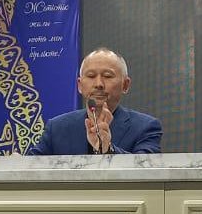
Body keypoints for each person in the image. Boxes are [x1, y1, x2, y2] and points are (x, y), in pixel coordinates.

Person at [28, 48, 163, 155]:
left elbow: (146, 169)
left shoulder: (146, 127)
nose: (99, 84)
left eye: (107, 76)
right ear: (79, 85)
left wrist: (108, 149)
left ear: (125, 85)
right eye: (91, 76)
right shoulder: (57, 128)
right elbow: (31, 168)